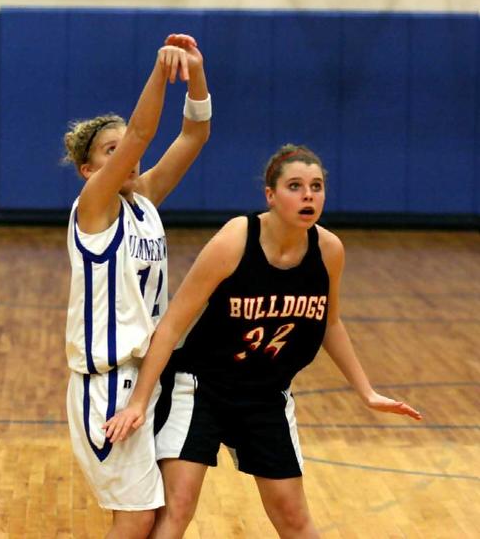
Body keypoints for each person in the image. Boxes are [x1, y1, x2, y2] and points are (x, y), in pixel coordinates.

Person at [104, 144, 422, 538]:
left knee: (294, 518)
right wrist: (139, 401)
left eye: (316, 186)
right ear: (270, 195)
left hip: (266, 395)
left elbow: (330, 322)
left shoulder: (329, 250)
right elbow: (170, 326)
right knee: (177, 509)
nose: (308, 196)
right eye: (295, 186)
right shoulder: (236, 239)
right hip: (201, 388)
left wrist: (366, 391)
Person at [63, 33, 210, 539]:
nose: (128, 156)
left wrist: (195, 73)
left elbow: (194, 135)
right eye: (113, 150)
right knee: (136, 519)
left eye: (124, 148)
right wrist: (159, 71)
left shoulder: (142, 200)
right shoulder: (93, 208)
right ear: (88, 170)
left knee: (161, 515)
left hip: (150, 376)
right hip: (105, 383)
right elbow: (143, 134)